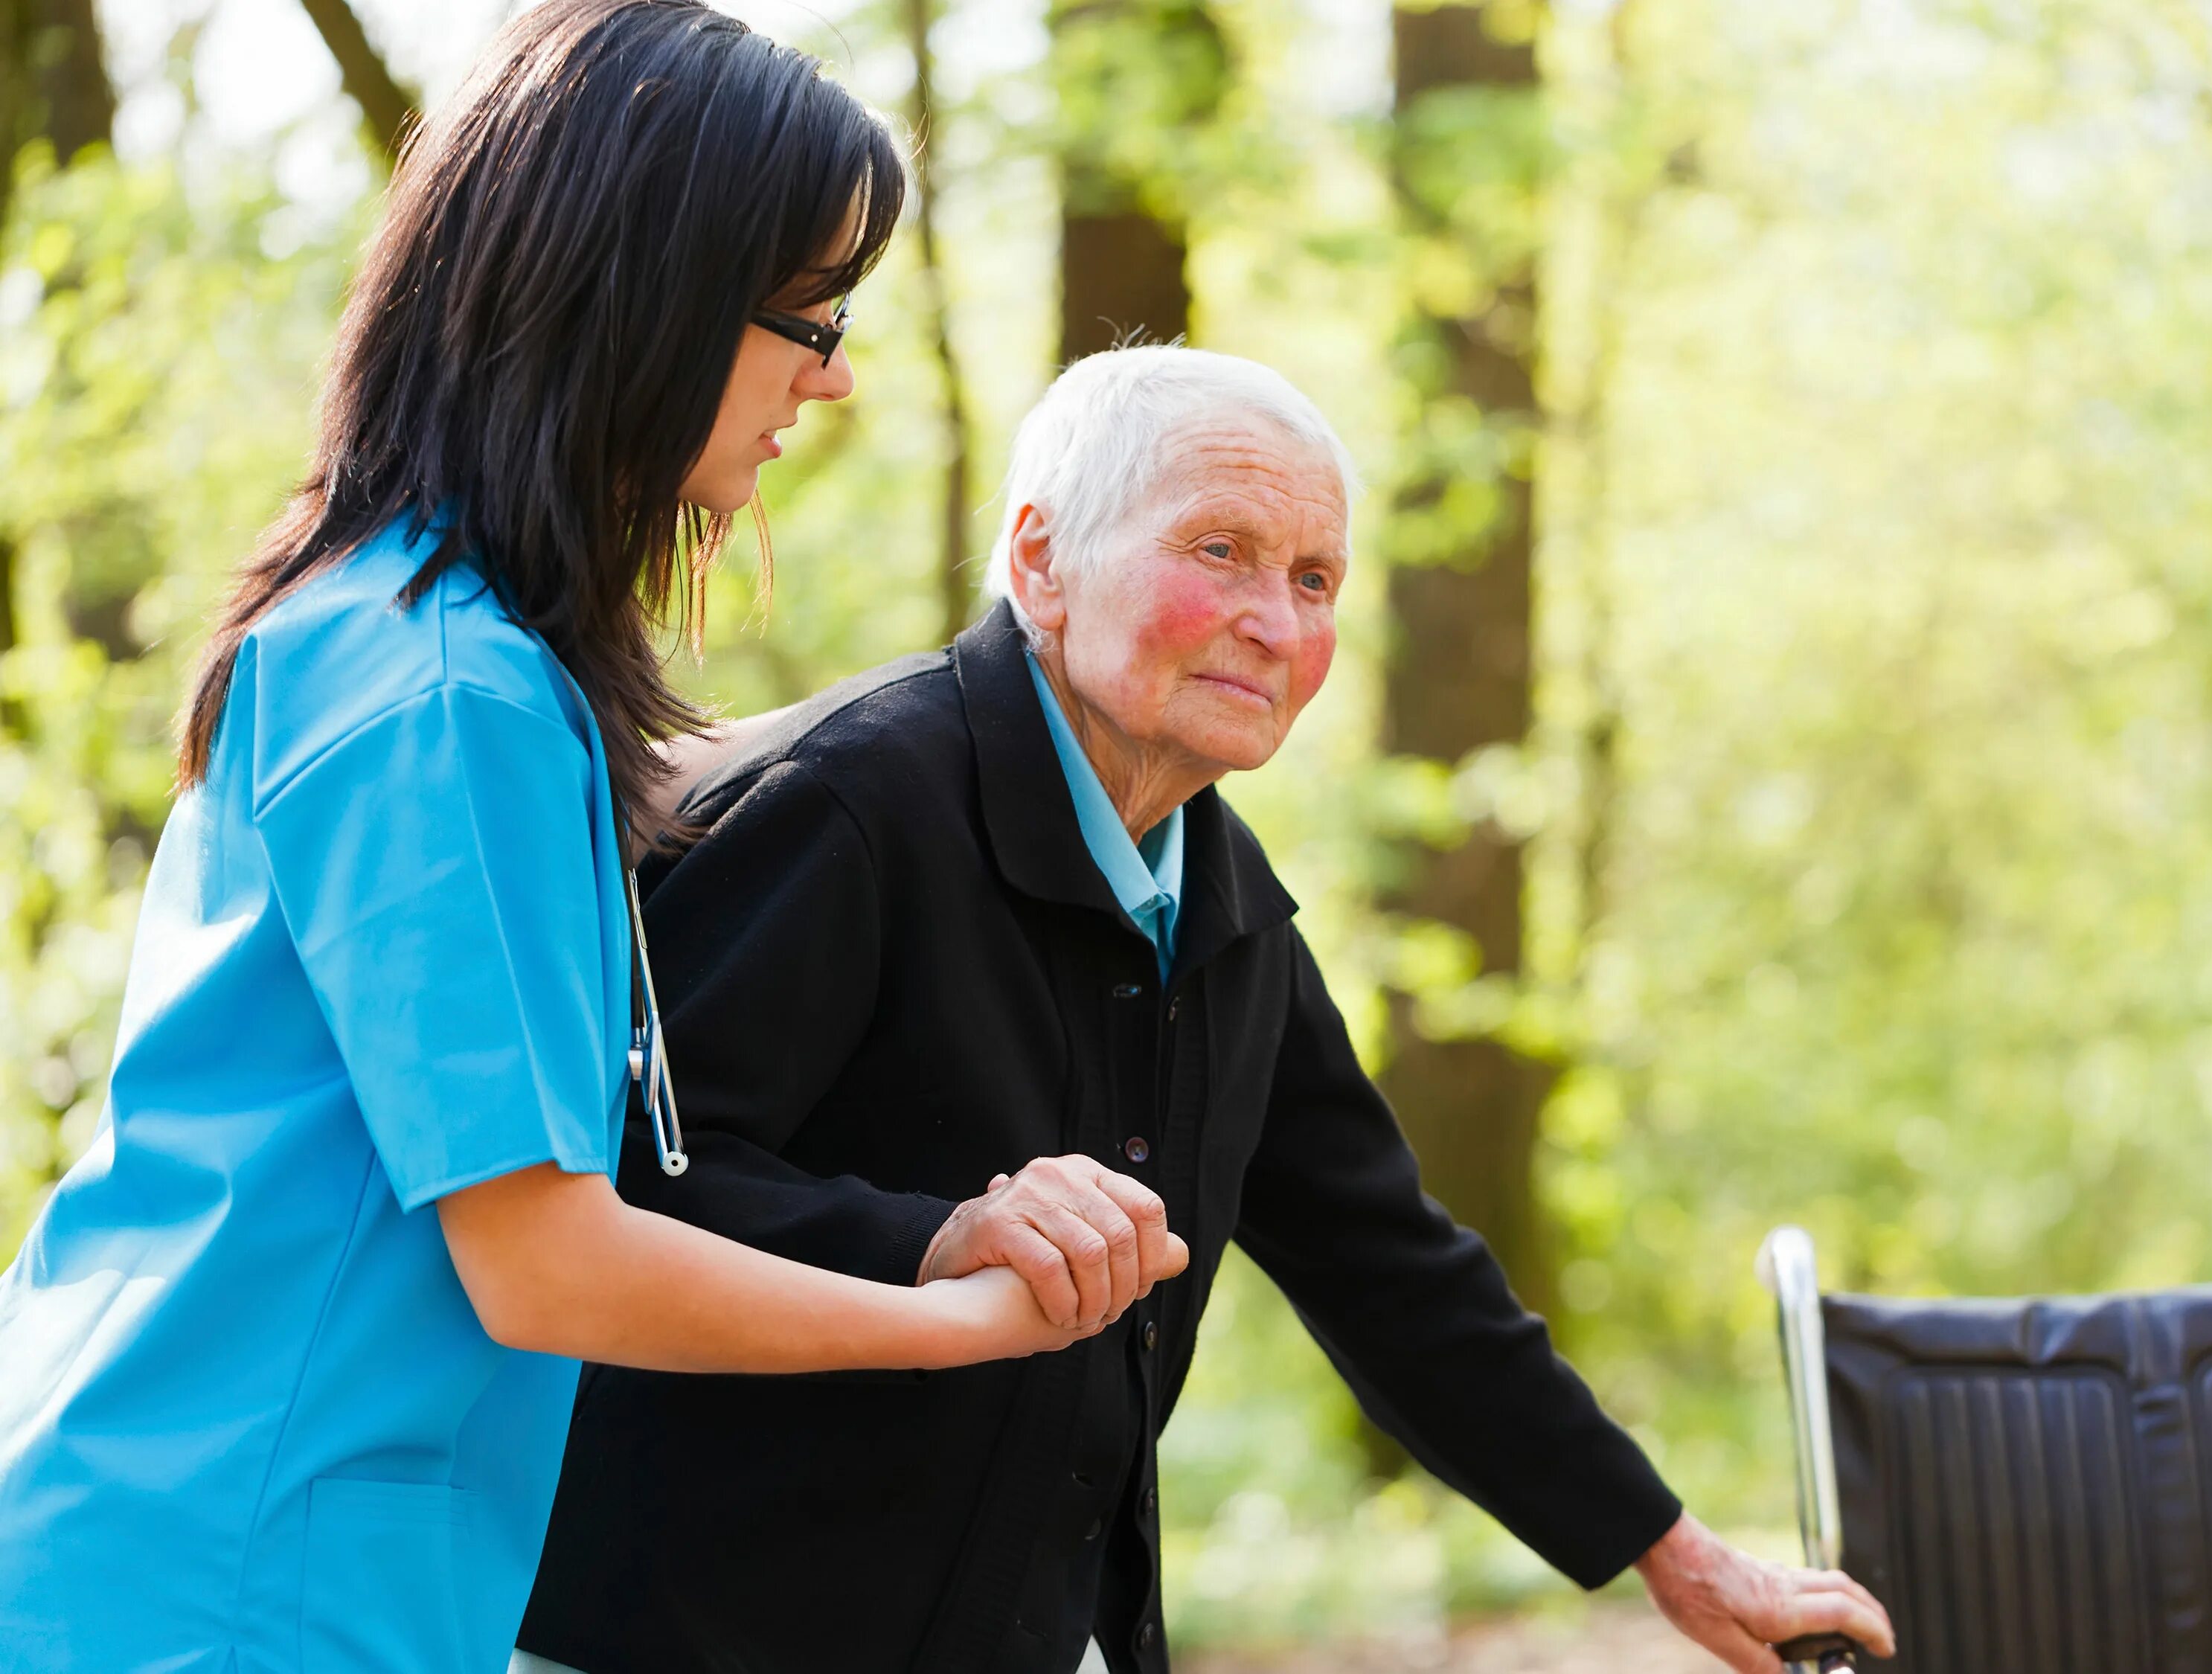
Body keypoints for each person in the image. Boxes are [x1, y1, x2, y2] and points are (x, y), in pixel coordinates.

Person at [0, 9, 1181, 1673]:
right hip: (218, 1586)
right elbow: (542, 1261)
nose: (832, 376)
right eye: (811, 313)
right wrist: (954, 1327)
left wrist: (934, 1236)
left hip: (259, 1559)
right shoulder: (442, 691)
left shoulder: (438, 650)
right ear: (645, 298)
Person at [516, 347, 1900, 1674]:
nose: (1277, 623)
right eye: (1221, 550)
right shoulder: (849, 803)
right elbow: (610, 1190)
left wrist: (1678, 1557)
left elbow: (1394, 1271)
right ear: (1042, 562)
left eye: (1315, 579)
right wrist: (932, 1239)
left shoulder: (1227, 901)